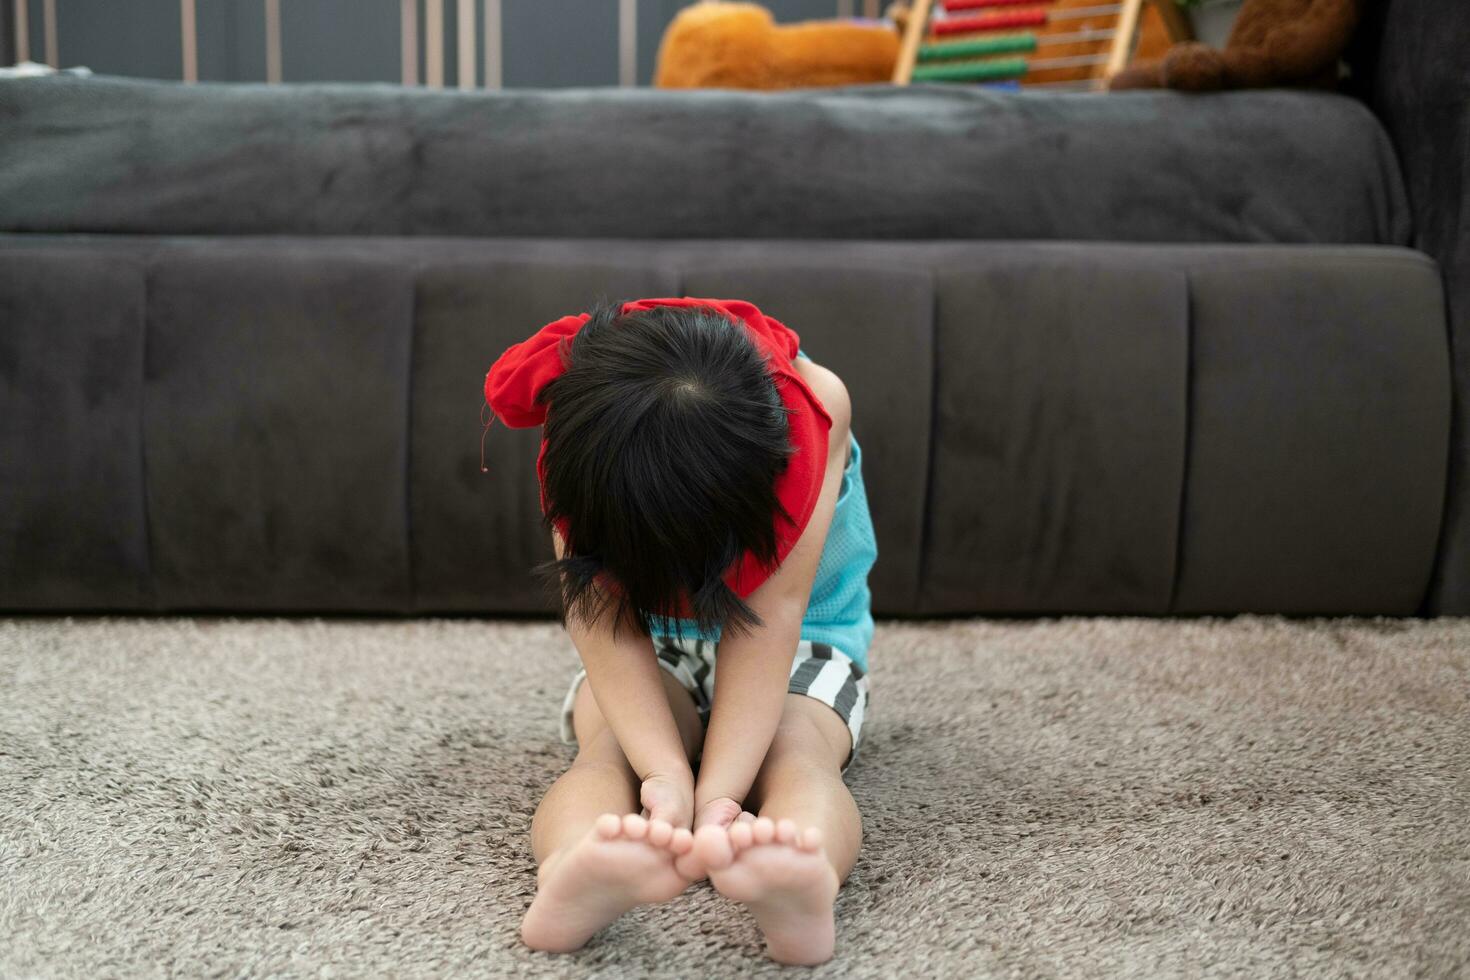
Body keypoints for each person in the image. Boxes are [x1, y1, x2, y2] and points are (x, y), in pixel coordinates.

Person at [483, 297, 877, 965]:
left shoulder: (816, 411)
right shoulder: (579, 424)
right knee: (608, 752)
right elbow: (597, 615)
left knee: (796, 746)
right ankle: (574, 868)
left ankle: (802, 876)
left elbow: (773, 618)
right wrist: (664, 775)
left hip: (801, 639)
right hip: (647, 640)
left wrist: (719, 797)